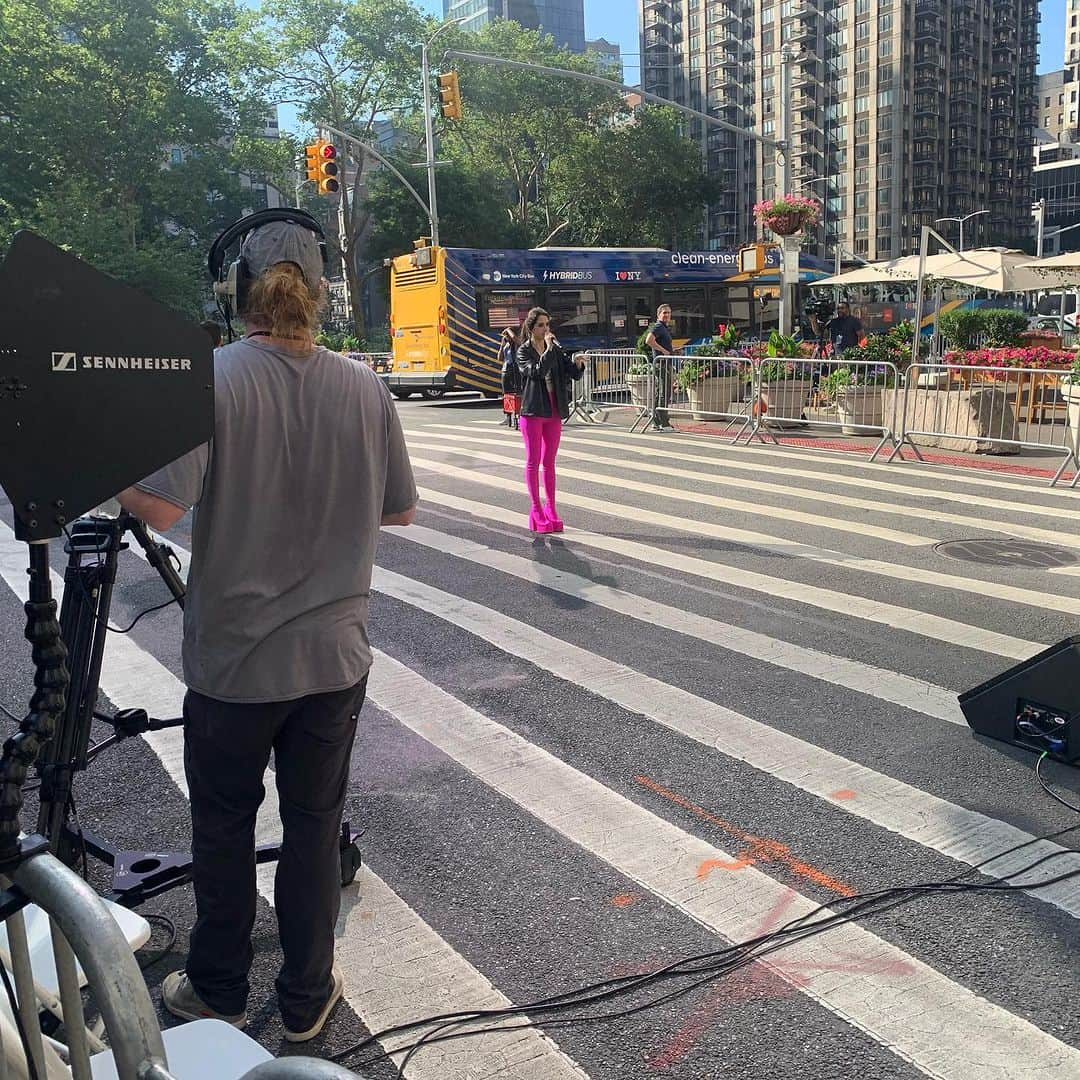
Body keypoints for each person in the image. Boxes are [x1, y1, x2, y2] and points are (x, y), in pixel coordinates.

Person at [116, 216, 417, 1042]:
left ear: (236, 292)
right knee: (315, 829)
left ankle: (214, 987)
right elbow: (400, 507)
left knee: (222, 827)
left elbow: (158, 505)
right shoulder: (365, 386)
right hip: (334, 660)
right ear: (319, 298)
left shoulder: (212, 379)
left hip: (236, 663)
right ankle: (306, 995)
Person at [515, 307, 585, 533]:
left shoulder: (554, 349)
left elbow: (570, 373)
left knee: (550, 462)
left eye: (547, 325)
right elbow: (534, 372)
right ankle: (536, 509)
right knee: (533, 461)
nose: (546, 329)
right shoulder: (523, 351)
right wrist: (548, 350)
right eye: (541, 325)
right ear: (531, 328)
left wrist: (578, 364)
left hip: (554, 409)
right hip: (534, 410)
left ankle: (552, 508)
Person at [644, 303, 677, 429]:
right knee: (665, 392)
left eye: (669, 313)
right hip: (661, 363)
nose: (667, 315)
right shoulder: (658, 326)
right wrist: (663, 351)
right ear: (659, 315)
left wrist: (672, 350)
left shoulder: (663, 327)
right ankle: (664, 422)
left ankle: (656, 421)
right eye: (664, 313)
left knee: (661, 392)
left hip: (663, 362)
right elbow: (648, 340)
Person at [499, 326, 522, 429]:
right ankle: (507, 415)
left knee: (517, 393)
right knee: (506, 394)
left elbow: (516, 340)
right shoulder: (506, 346)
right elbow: (499, 358)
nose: (506, 337)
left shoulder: (517, 344)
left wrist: (508, 330)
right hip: (506, 370)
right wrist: (501, 345)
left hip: (515, 369)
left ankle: (518, 415)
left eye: (508, 335)